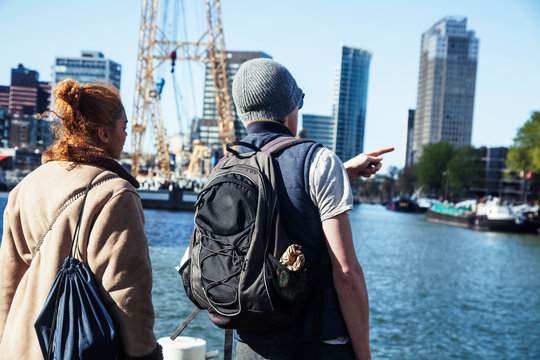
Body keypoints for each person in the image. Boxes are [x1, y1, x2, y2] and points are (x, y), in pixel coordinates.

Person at [231, 58, 393, 360]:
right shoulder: (317, 160)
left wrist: (341, 172)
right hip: (315, 347)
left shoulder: (228, 165)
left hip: (249, 346)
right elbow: (346, 274)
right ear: (290, 107)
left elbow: (275, 191)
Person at [0, 79, 162, 359]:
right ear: (104, 134)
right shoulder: (115, 194)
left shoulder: (25, 187)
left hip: (19, 345)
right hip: (77, 349)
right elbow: (127, 295)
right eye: (123, 127)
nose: (126, 136)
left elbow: (7, 283)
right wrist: (146, 355)